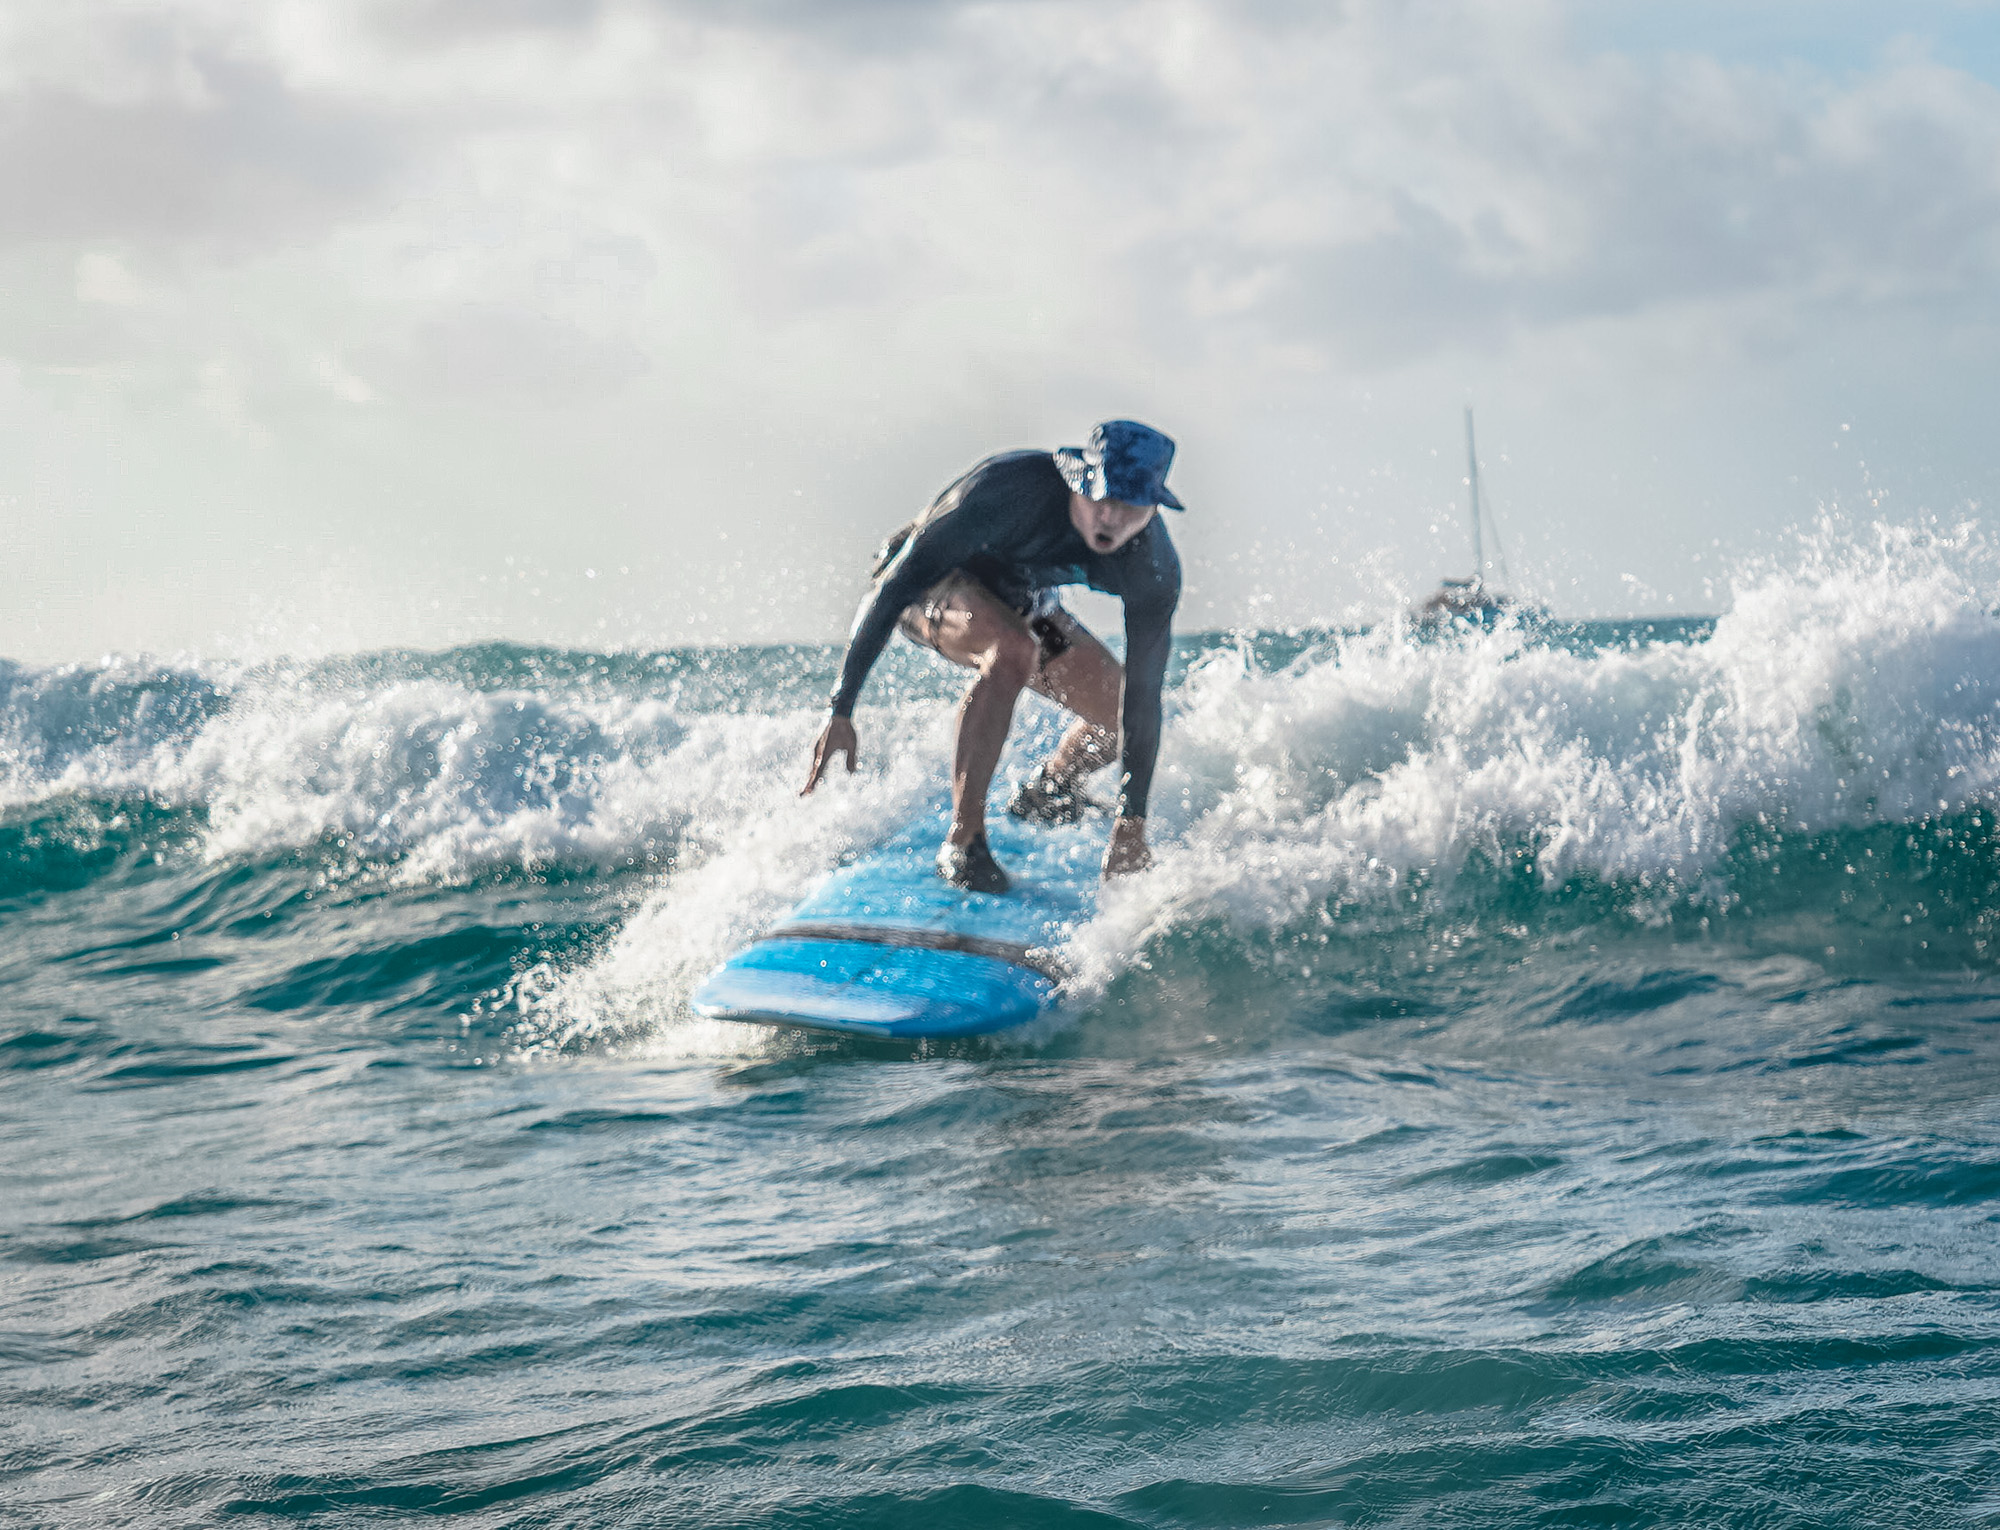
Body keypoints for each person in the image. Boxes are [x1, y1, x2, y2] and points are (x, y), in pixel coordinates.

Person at [800, 419, 1184, 892]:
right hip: (927, 585)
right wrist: (841, 708)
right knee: (1011, 650)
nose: (1111, 518)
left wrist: (1131, 826)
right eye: (1101, 498)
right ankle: (963, 840)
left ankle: (1051, 788)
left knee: (1120, 710)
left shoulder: (1153, 569)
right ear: (1078, 483)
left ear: (1152, 508)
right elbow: (895, 585)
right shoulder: (1009, 487)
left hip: (1021, 599)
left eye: (1129, 506)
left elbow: (1144, 699)